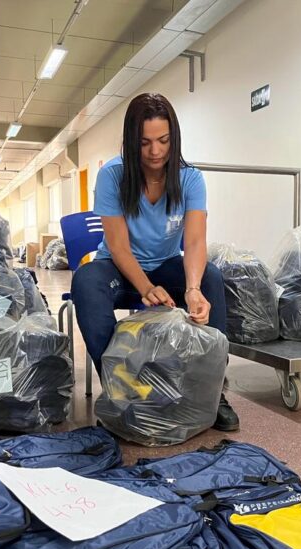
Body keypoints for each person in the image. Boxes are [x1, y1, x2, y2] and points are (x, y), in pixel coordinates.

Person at [71, 92, 240, 430]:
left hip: (165, 263)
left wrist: (192, 288)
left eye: (163, 140)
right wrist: (145, 286)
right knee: (86, 282)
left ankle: (212, 392)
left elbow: (193, 241)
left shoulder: (190, 178)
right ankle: (121, 392)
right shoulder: (113, 176)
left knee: (212, 279)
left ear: (173, 138)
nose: (155, 151)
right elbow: (118, 246)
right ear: (132, 141)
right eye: (145, 142)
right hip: (118, 267)